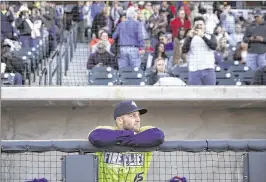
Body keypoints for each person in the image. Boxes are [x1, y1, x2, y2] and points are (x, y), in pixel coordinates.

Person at [88, 100, 165, 182]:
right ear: (119, 120)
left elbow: (159, 136)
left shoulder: (142, 132)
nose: (138, 119)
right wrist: (127, 134)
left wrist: (124, 138)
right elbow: (95, 136)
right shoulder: (108, 131)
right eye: (132, 116)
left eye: (138, 115)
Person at [182, 16, 217, 85]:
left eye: (201, 24)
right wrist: (190, 37)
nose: (199, 27)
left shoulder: (211, 36)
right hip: (194, 70)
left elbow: (214, 46)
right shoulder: (189, 37)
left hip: (208, 69)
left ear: (204, 25)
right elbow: (184, 50)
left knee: (211, 93)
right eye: (197, 25)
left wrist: (203, 36)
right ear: (193, 26)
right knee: (195, 95)